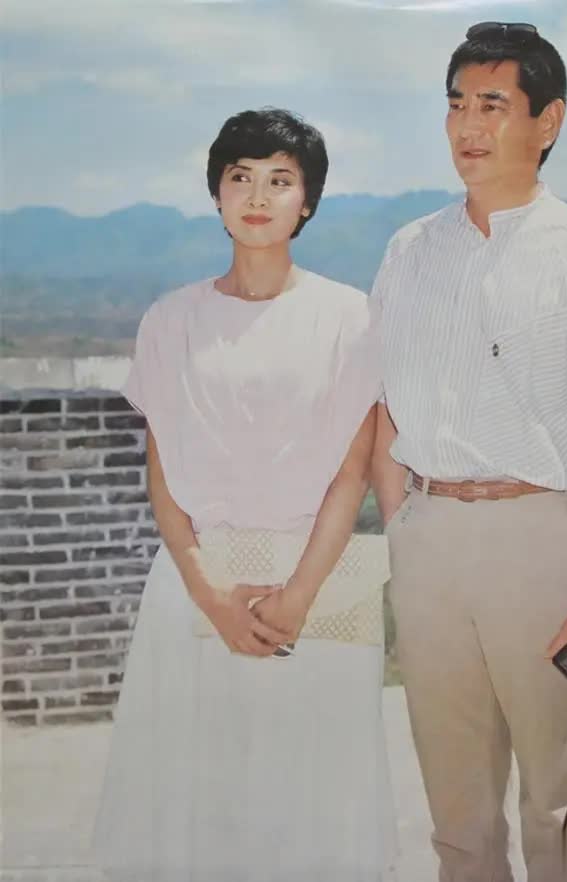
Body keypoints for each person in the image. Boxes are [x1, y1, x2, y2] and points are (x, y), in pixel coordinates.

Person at [370, 22, 567, 882]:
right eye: (456, 104)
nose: (468, 124)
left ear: (548, 120)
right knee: (455, 812)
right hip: (429, 540)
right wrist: (402, 524)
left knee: (558, 805)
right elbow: (384, 405)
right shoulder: (408, 250)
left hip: (543, 541)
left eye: (492, 104)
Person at [93, 108, 396, 882]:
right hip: (193, 586)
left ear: (308, 200)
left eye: (279, 180)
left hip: (316, 586)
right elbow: (163, 474)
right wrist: (209, 592)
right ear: (216, 194)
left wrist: (298, 595)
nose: (257, 196)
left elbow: (352, 472)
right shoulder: (171, 321)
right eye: (240, 177)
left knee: (311, 802)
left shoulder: (350, 318)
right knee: (198, 801)